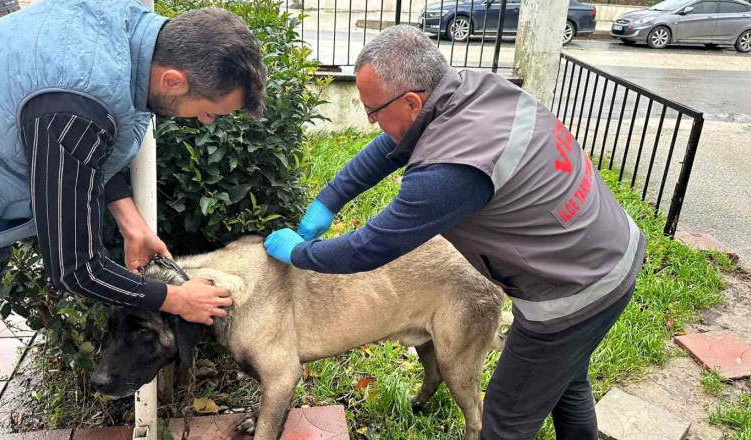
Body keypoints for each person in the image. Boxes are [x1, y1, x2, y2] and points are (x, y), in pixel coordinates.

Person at [263, 25, 646, 440]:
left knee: (505, 421)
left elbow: (370, 248)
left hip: (574, 291)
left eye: (373, 110)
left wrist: (299, 254)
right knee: (567, 381)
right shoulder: (473, 89)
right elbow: (388, 147)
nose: (371, 121)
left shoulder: (448, 175)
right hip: (611, 245)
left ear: (411, 101)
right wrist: (330, 200)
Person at [0, 1, 266, 438]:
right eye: (208, 109)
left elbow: (80, 153)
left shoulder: (131, 36)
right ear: (173, 80)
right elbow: (73, 267)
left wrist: (131, 221)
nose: (203, 120)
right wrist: (175, 299)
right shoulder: (78, 100)